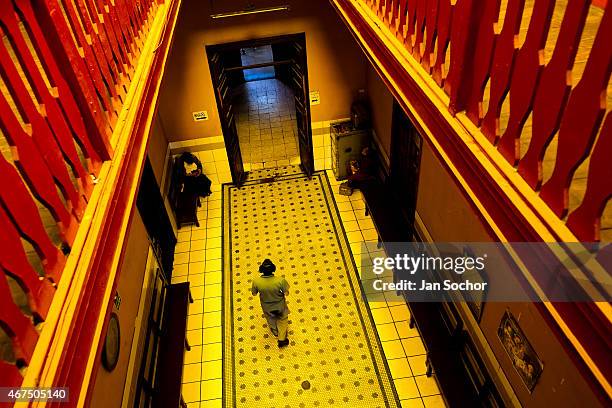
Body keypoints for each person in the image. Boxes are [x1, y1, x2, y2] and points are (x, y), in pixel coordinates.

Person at [251, 259, 290, 347]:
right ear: (273, 269)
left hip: (267, 306)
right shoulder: (280, 280)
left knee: (270, 319)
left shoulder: (256, 281)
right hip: (280, 304)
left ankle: (275, 332)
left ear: (261, 270)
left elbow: (254, 294)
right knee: (282, 319)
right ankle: (282, 338)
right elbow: (286, 292)